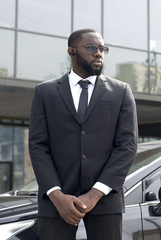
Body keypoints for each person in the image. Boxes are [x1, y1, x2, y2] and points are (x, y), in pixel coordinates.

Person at [29, 28, 138, 240]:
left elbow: (127, 146)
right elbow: (38, 146)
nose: (99, 53)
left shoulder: (121, 91)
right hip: (56, 202)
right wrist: (56, 195)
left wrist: (95, 194)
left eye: (102, 48)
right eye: (91, 48)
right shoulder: (45, 92)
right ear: (71, 51)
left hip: (105, 200)